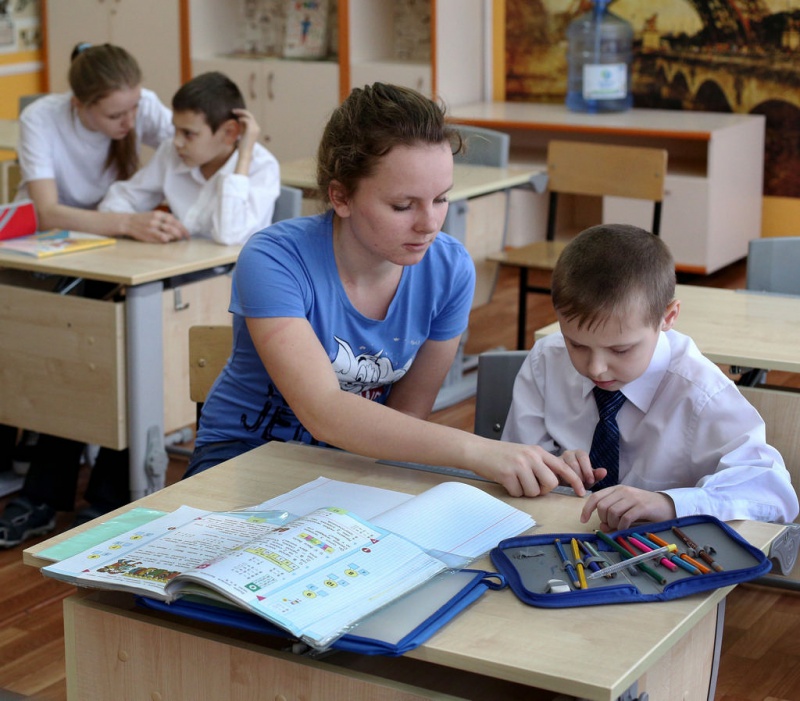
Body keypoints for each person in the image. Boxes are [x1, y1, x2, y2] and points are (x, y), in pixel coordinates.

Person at [185, 82, 592, 499]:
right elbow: (323, 410)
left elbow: (408, 417)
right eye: (403, 206)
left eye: (441, 199)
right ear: (341, 196)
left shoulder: (449, 270)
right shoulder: (274, 258)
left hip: (359, 462)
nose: (429, 224)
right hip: (244, 457)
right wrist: (477, 450)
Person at [501, 223, 799, 532]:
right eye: (576, 345)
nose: (596, 368)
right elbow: (515, 463)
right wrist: (553, 471)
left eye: (620, 350)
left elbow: (775, 495)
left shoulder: (701, 392)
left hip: (665, 550)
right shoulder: (547, 359)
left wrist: (670, 504)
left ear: (668, 317)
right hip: (563, 538)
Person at [0, 43, 179, 549]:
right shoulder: (43, 118)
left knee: (112, 353)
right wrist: (128, 221)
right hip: (51, 253)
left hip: (112, 256)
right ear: (79, 105)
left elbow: (195, 146)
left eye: (134, 108)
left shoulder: (140, 108)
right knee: (80, 353)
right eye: (115, 115)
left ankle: (91, 496)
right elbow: (49, 212)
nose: (130, 122)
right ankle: (50, 493)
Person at [99, 71, 280, 245]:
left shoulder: (262, 166)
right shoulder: (172, 152)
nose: (177, 141)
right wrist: (135, 223)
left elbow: (230, 236)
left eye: (188, 133)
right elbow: (114, 202)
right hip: (180, 262)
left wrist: (244, 156)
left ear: (229, 132)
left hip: (235, 266)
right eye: (175, 129)